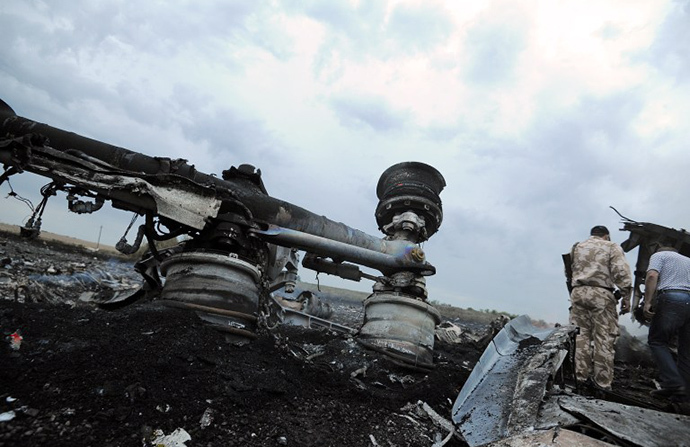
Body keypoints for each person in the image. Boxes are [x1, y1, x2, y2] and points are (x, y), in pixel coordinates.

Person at [568, 225, 632, 390]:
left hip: (578, 293)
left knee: (580, 337)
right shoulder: (611, 246)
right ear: (606, 235)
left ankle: (580, 378)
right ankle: (602, 383)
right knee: (603, 338)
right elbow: (621, 272)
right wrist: (626, 295)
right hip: (601, 295)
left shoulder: (577, 247)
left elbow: (569, 271)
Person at [643, 246, 690, 402]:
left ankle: (673, 384)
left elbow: (652, 275)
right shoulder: (688, 261)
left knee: (657, 341)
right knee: (686, 349)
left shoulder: (660, 255)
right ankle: (683, 393)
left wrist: (647, 302)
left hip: (672, 298)